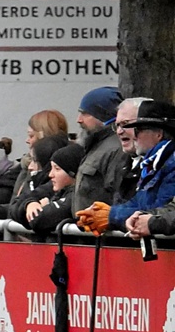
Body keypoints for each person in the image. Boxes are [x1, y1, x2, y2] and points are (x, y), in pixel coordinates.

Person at [78, 100, 175, 234]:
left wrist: (112, 216)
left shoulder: (169, 162)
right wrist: (106, 213)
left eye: (138, 130)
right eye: (117, 125)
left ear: (158, 134)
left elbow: (160, 206)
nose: (134, 136)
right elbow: (139, 203)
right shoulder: (153, 164)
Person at [70, 86, 127, 214]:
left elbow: (117, 195)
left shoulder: (115, 149)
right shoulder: (97, 146)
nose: (79, 120)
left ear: (103, 116)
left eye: (85, 113)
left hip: (101, 231)